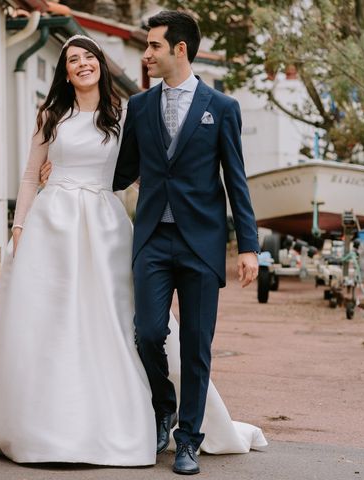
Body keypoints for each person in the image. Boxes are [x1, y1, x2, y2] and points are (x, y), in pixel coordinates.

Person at [0, 34, 266, 467]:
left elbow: (139, 171)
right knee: (45, 319)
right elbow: (28, 177)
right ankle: (35, 416)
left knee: (121, 319)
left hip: (104, 224)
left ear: (99, 63)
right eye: (72, 60)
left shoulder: (126, 114)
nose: (82, 64)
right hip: (51, 222)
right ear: (65, 72)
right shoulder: (50, 115)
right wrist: (19, 224)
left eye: (88, 57)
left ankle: (156, 410)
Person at [112, 11, 260, 475]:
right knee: (149, 332)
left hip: (202, 242)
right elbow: (122, 171)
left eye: (155, 45)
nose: (147, 53)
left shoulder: (223, 107)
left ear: (179, 49)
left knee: (197, 344)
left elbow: (236, 181)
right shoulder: (138, 107)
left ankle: (188, 439)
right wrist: (68, 171)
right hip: (153, 238)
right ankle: (163, 406)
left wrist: (250, 246)